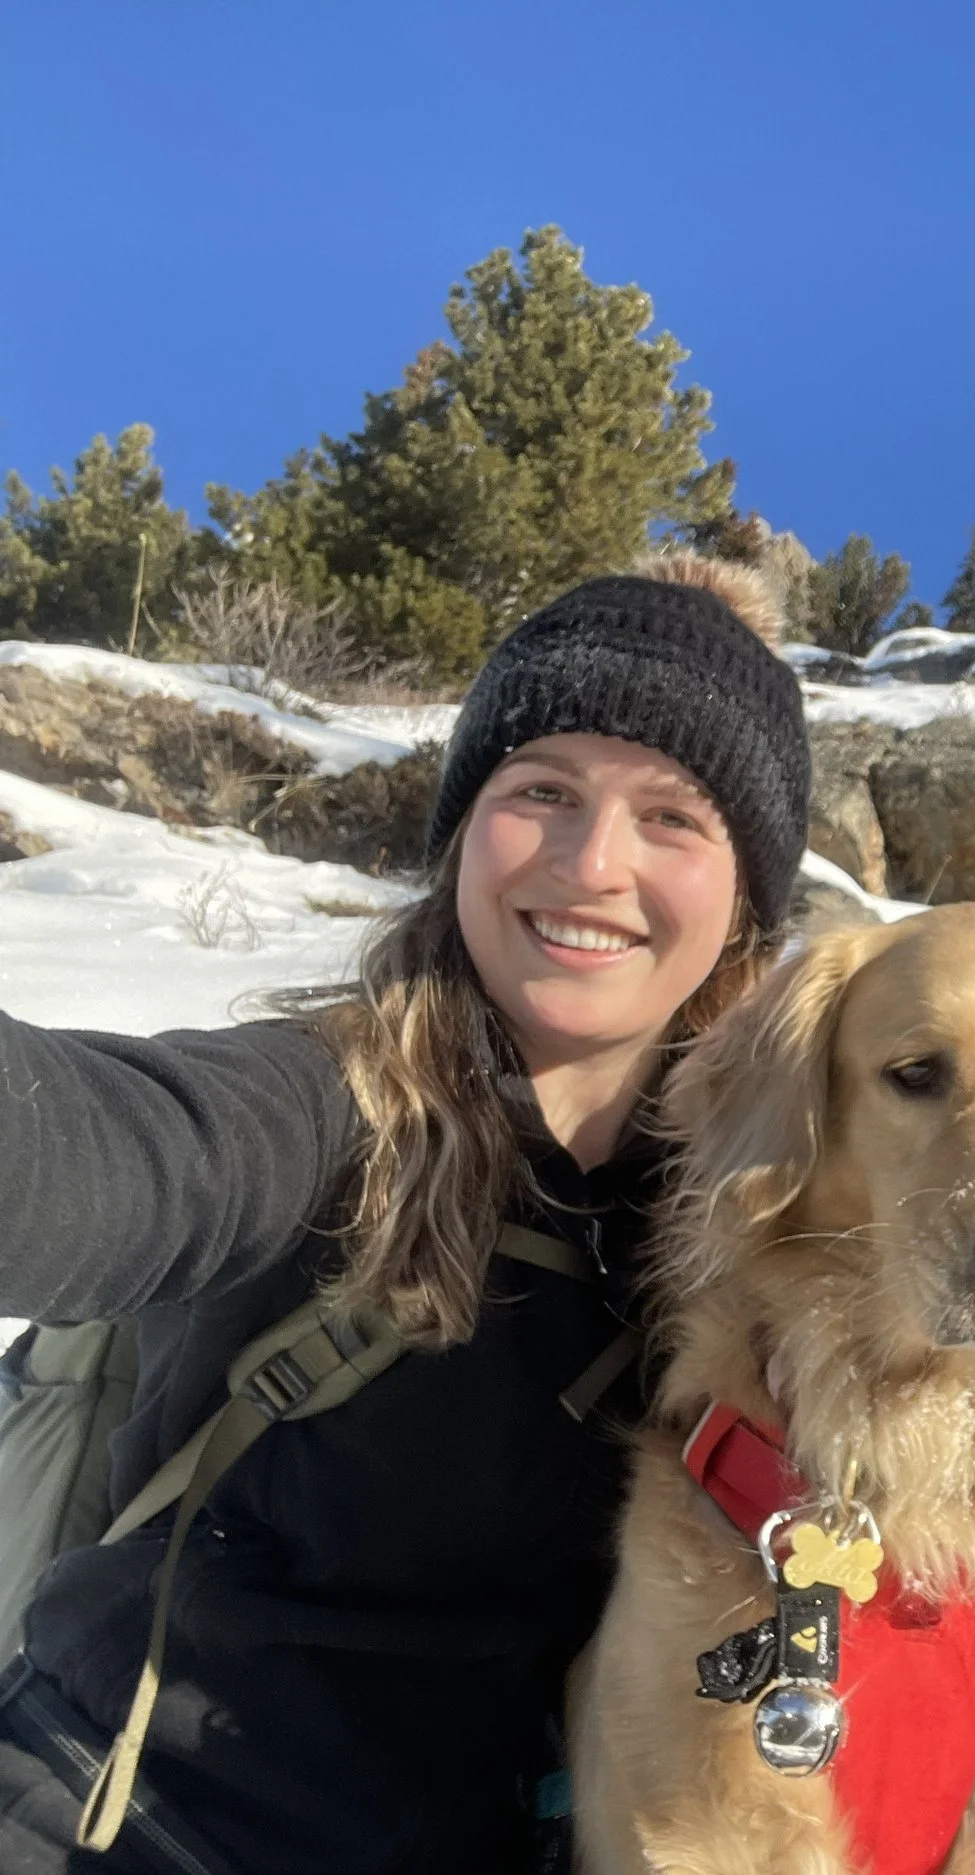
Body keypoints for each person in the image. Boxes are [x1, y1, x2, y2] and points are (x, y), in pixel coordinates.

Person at [0, 557, 812, 1875]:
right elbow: (93, 1148)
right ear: (462, 831)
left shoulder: (760, 1218)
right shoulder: (324, 1107)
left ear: (745, 899)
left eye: (673, 816)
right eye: (542, 790)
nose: (592, 861)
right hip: (131, 1820)